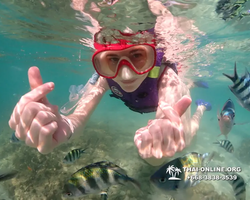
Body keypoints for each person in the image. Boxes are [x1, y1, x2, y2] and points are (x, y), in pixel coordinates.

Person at [8, 1, 211, 166]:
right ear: (101, 61)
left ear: (152, 55)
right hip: (143, 100)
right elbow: (76, 118)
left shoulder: (167, 78)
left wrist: (157, 148)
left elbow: (167, 125)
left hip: (164, 97)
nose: (124, 73)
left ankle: (200, 107)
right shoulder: (105, 78)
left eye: (137, 55)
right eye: (112, 60)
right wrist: (65, 126)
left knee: (186, 136)